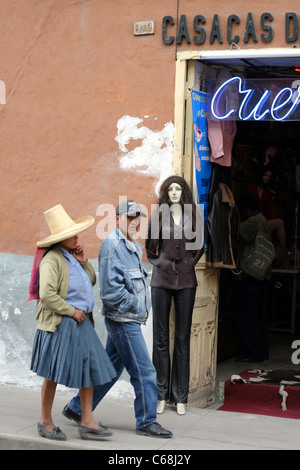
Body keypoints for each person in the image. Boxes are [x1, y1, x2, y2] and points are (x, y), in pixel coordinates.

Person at [63, 200, 172, 438]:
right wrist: (134, 306)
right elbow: (111, 292)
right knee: (145, 372)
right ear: (117, 219)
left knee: (110, 371)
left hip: (127, 318)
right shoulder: (112, 246)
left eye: (137, 218)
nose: (134, 222)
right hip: (123, 320)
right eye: (130, 217)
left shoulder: (131, 245)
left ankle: (75, 408)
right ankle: (146, 421)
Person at [30, 204, 116, 441]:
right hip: (61, 323)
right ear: (63, 238)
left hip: (82, 322)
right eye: (74, 234)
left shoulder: (72, 258)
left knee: (90, 368)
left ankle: (87, 419)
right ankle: (44, 421)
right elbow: (47, 295)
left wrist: (84, 261)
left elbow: (90, 281)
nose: (78, 237)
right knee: (52, 372)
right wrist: (71, 311)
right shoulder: (52, 261)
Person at [145, 176, 204, 415]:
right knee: (160, 338)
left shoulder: (193, 216)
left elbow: (200, 244)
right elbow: (150, 247)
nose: (174, 193)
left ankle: (180, 396)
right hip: (161, 278)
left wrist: (189, 263)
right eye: (170, 189)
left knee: (182, 338)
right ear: (166, 193)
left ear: (184, 192)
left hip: (187, 279)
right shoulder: (159, 215)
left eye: (178, 189)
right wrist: (161, 263)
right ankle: (160, 394)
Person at [235, 195, 271, 363]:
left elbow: (237, 233)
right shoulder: (263, 220)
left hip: (250, 274)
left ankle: (251, 352)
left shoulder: (252, 222)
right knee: (259, 316)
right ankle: (262, 352)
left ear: (246, 209)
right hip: (262, 274)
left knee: (248, 316)